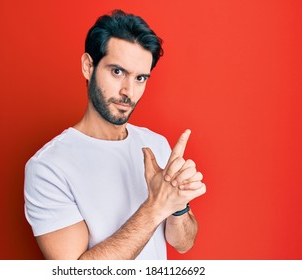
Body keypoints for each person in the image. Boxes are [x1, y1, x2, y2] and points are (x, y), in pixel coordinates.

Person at [24, 9, 206, 260]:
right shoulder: (48, 167)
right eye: (117, 72)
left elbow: (183, 243)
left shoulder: (157, 145)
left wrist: (178, 205)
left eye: (140, 78)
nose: (128, 91)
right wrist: (156, 207)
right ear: (88, 66)